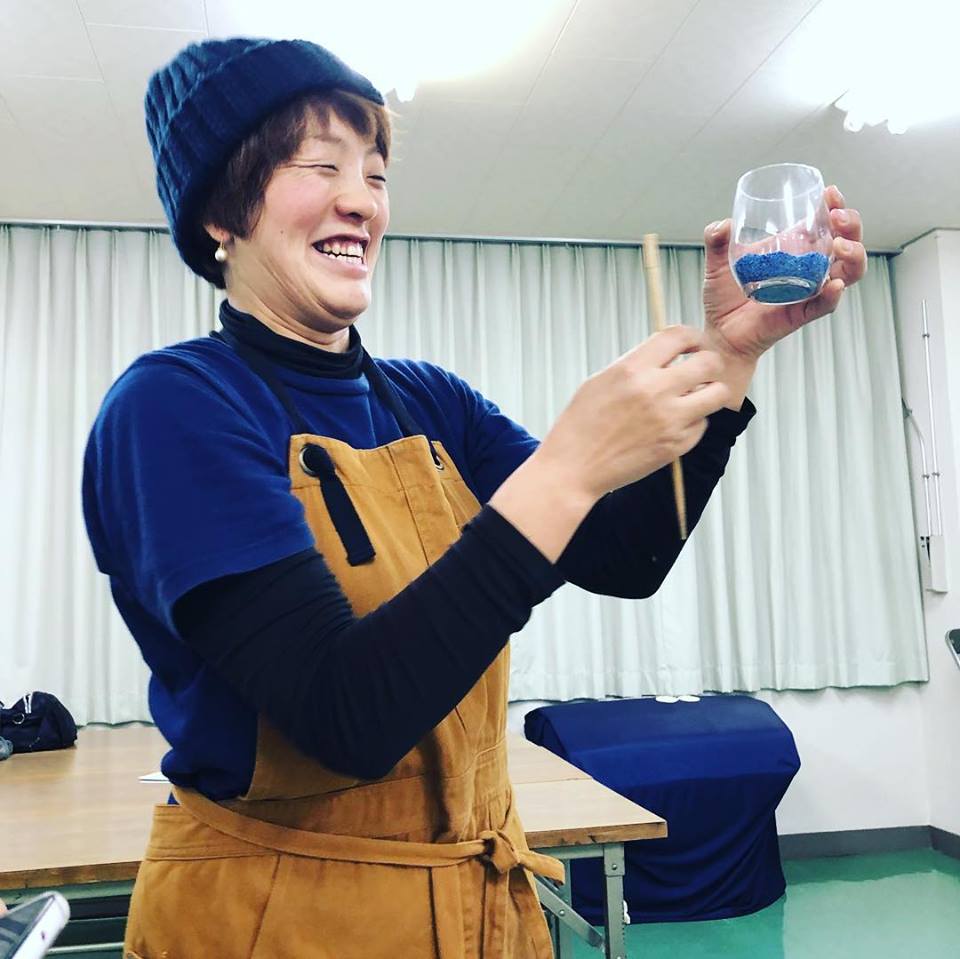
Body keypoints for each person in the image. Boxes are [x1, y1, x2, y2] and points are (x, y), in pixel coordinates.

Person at [81, 36, 866, 959]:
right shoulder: (174, 407)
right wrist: (567, 467)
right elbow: (345, 716)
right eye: (321, 165)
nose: (362, 200)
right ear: (220, 210)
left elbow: (624, 557)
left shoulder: (429, 400)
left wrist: (732, 357)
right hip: (278, 919)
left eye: (375, 173)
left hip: (478, 907)